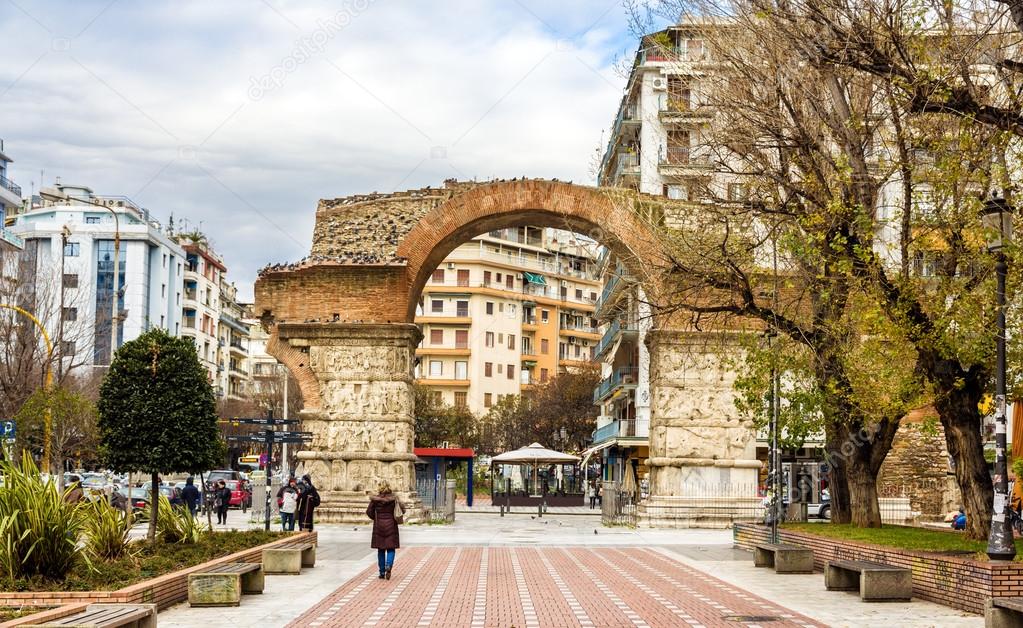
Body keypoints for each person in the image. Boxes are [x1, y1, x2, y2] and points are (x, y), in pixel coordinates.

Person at [366, 481, 401, 580]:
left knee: (381, 549)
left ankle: (381, 572)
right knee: (391, 548)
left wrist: (376, 518)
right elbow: (403, 509)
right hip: (391, 525)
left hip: (379, 526)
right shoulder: (394, 499)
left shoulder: (375, 500)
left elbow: (369, 512)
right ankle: (388, 565)